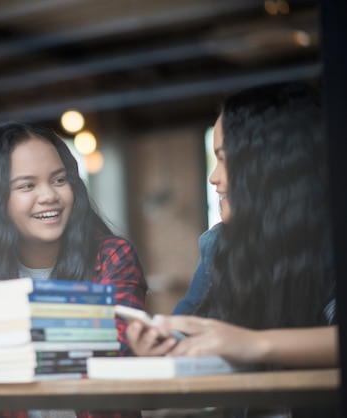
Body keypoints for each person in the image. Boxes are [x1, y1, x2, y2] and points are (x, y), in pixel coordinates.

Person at [126, 83, 337, 416]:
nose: (213, 177)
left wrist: (252, 344)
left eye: (224, 159)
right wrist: (158, 342)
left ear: (270, 163)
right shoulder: (218, 246)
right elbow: (184, 327)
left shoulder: (331, 241)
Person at [0, 121, 147, 418]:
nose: (49, 196)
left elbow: (120, 344)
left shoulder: (111, 257)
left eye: (59, 180)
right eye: (27, 185)